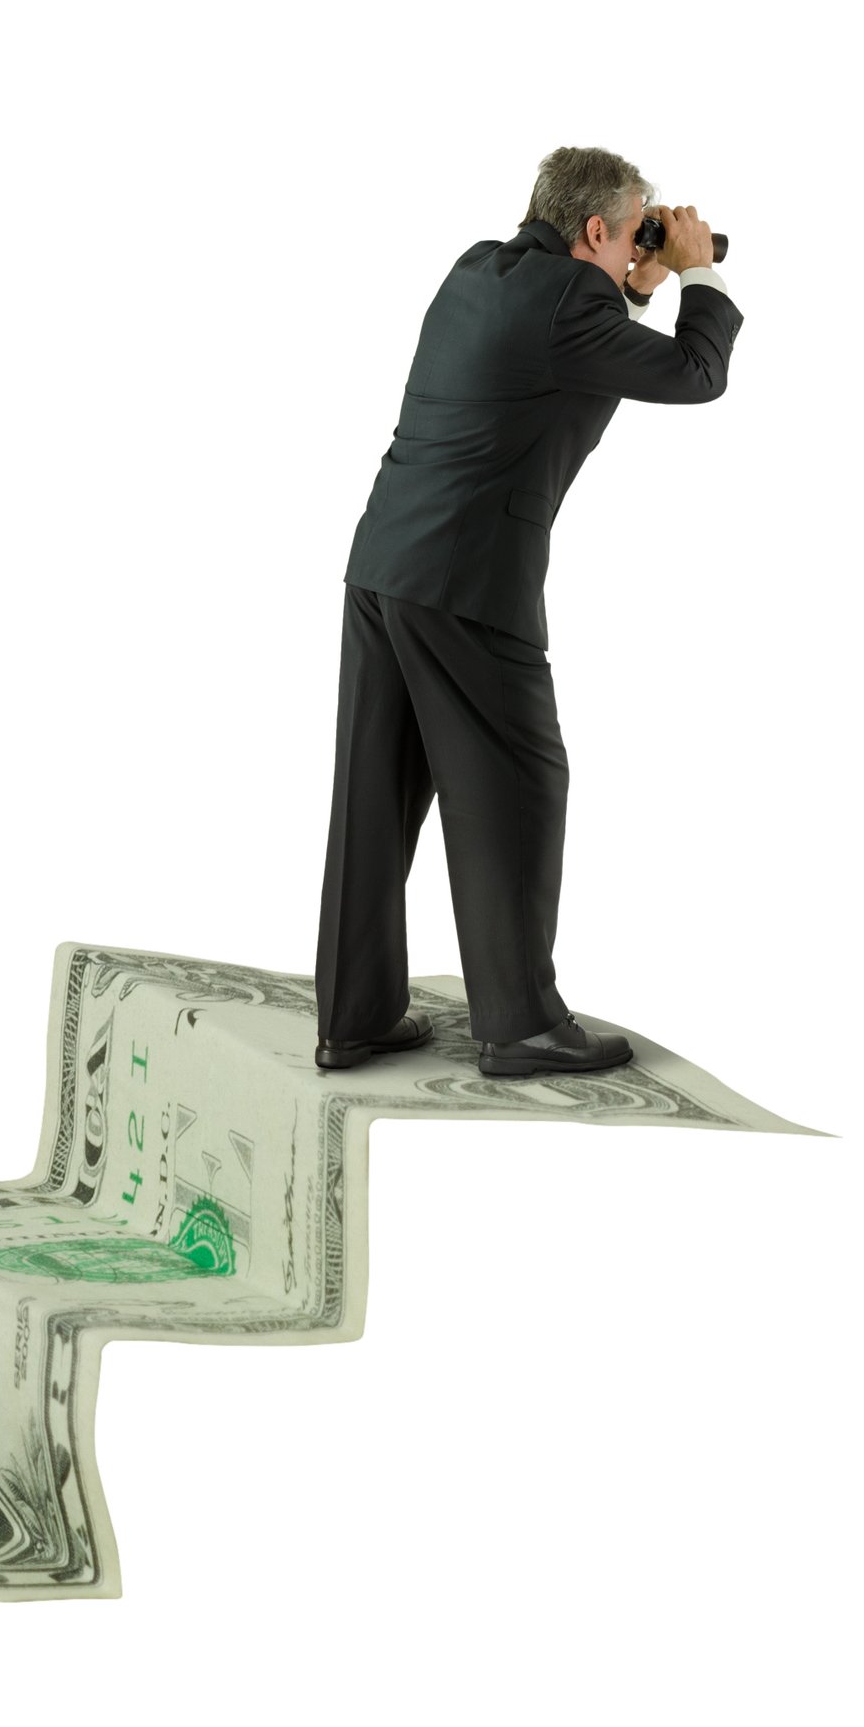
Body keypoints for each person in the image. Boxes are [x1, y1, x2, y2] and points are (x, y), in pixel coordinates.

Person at [313, 144, 741, 1078]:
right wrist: (698, 269)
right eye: (636, 228)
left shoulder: (483, 270)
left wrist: (640, 281)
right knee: (519, 787)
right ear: (597, 231)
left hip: (384, 565)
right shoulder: (567, 308)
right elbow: (695, 375)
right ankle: (521, 1025)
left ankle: (355, 1019)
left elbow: (577, 359)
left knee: (373, 801)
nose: (645, 242)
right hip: (471, 584)